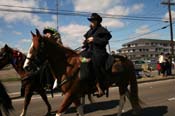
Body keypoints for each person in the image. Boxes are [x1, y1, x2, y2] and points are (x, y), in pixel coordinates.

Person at [81, 13, 112, 96]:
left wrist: (94, 39)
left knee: (94, 62)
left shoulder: (102, 30)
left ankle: (99, 85)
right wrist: (85, 43)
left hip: (99, 52)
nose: (92, 22)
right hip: (89, 51)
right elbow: (86, 42)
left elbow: (105, 41)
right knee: (81, 59)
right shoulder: (89, 31)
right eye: (91, 20)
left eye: (93, 20)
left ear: (97, 21)